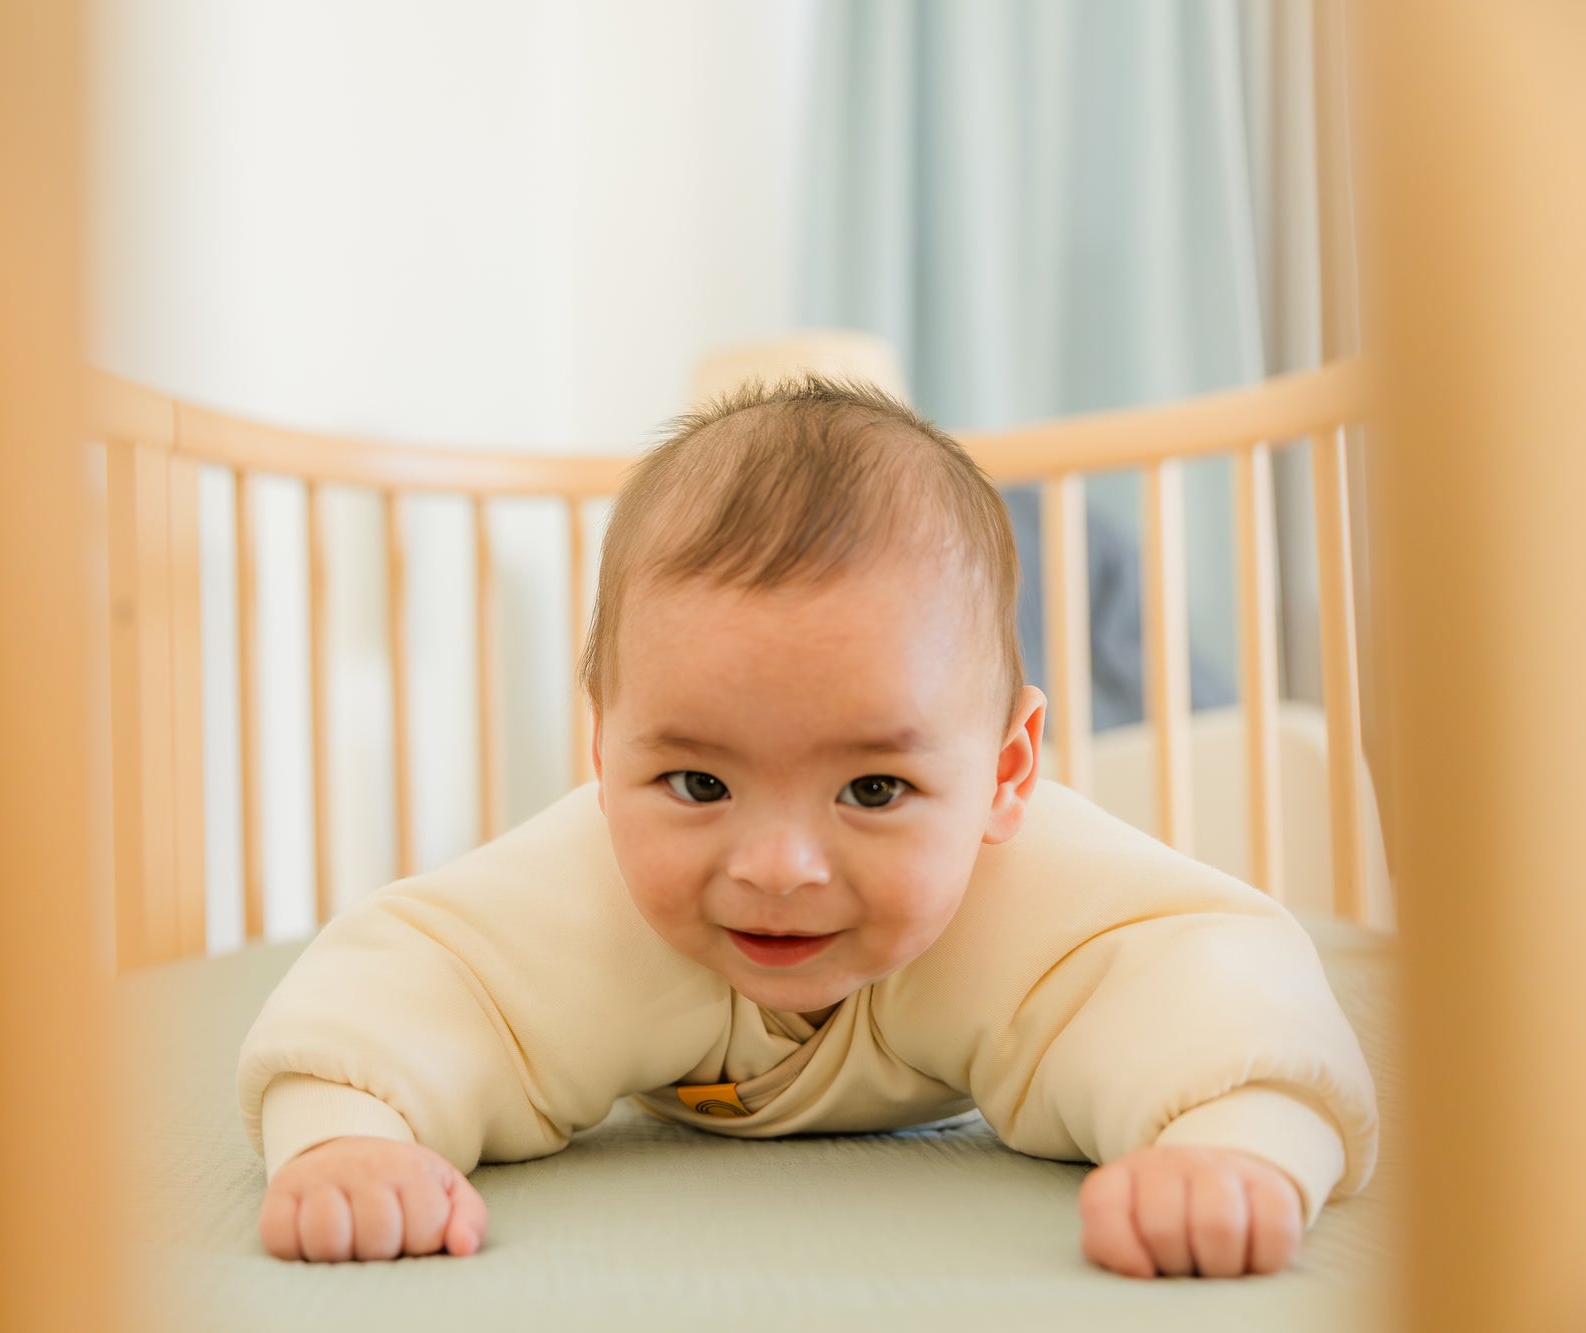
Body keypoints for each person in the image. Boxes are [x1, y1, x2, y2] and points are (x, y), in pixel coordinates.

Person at [239, 376, 1377, 1277]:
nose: (775, 869)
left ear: (1003, 773)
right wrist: (346, 1140)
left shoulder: (1030, 887)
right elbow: (398, 989)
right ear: (600, 753)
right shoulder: (583, 888)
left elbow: (1226, 996)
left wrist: (1234, 1156)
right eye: (694, 782)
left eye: (873, 789)